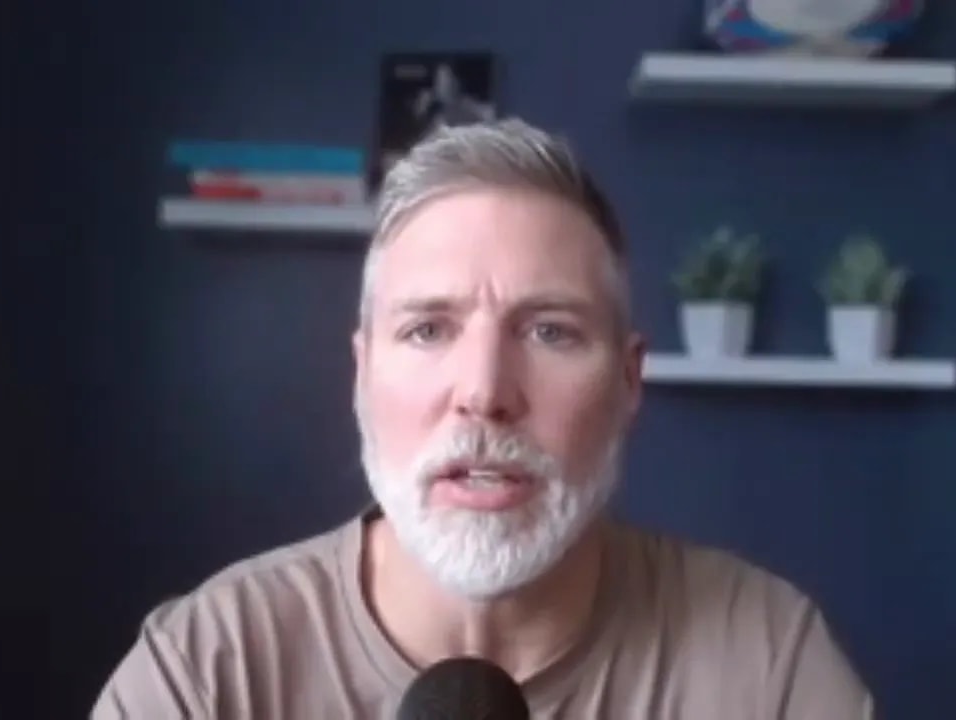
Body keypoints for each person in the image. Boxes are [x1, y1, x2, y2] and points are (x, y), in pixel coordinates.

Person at [91, 118, 875, 719]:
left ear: (630, 382)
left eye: (550, 332)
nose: (484, 390)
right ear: (362, 375)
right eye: (428, 329)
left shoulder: (769, 667)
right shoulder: (203, 673)